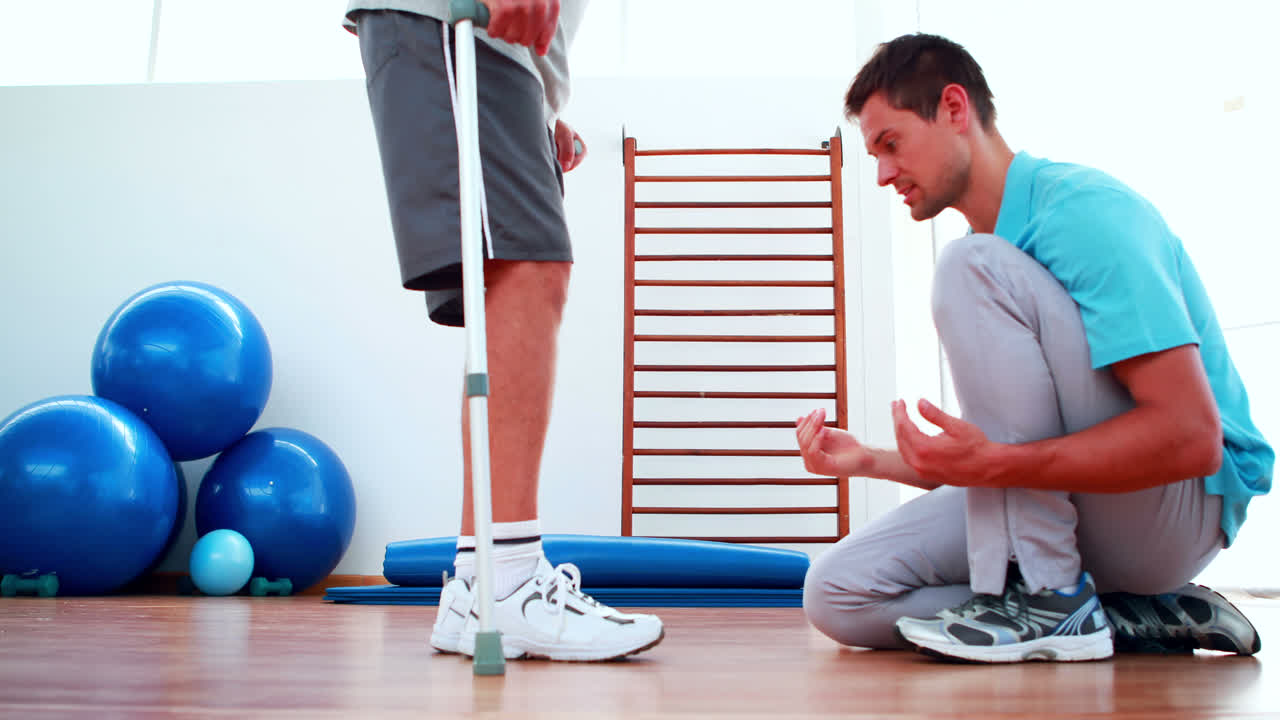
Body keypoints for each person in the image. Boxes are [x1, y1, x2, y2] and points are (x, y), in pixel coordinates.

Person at [796, 33, 1272, 663]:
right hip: (1087, 511)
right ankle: (1126, 614)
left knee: (970, 265)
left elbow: (1190, 436)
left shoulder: (1079, 216)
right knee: (837, 593)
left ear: (955, 109)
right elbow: (1009, 455)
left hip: (1181, 506)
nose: (882, 173)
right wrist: (871, 460)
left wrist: (997, 465)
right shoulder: (995, 261)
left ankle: (1053, 595)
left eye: (891, 144)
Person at [344, 0, 664, 661]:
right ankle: (511, 585)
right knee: (530, 270)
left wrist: (539, 100)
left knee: (514, 281)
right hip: (462, 23)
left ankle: (477, 584)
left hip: (495, 47)